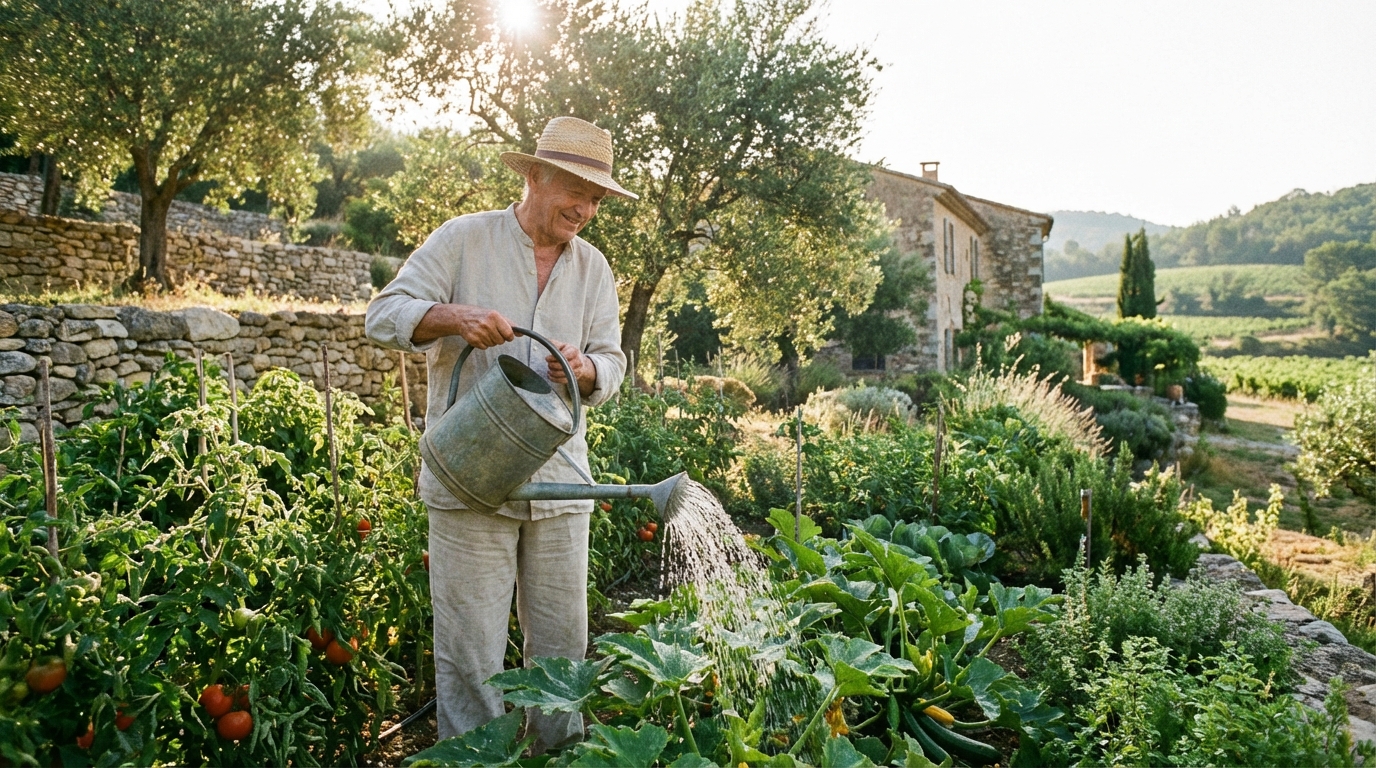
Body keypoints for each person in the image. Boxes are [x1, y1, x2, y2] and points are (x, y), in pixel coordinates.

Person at [364, 116, 634, 749]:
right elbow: (382, 315)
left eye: (596, 198)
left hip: (561, 483)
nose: (586, 209)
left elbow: (613, 361)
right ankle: (474, 759)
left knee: (562, 653)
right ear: (534, 175)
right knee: (470, 654)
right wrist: (451, 317)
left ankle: (556, 757)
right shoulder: (464, 239)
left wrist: (586, 369)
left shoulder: (594, 269)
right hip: (470, 477)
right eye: (576, 191)